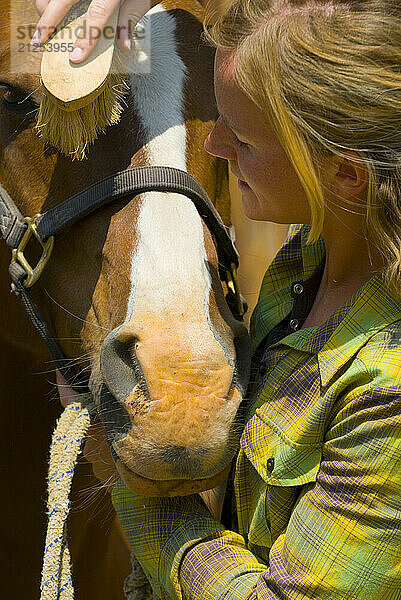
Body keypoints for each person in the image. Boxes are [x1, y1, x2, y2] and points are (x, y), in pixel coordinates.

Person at [41, 0, 401, 598]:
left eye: (245, 136)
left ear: (346, 173)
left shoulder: (387, 388)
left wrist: (119, 462)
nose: (215, 146)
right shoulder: (317, 258)